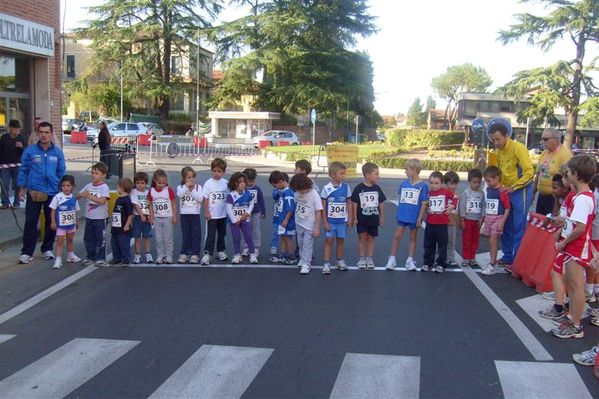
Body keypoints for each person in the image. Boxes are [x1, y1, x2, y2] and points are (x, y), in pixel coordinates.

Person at [551, 155, 596, 339]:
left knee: (576, 286)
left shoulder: (582, 199)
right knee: (572, 283)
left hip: (577, 248)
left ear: (576, 174)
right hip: (574, 247)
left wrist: (564, 241)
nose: (566, 176)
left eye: (568, 172)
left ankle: (576, 324)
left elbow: (580, 228)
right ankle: (571, 318)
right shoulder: (581, 197)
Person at [17, 121, 66, 264]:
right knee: (31, 222)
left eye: (47, 132)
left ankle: (47, 249)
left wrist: (63, 189)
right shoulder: (30, 151)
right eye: (41, 132)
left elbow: (61, 171)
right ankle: (26, 252)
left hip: (52, 192)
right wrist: (22, 188)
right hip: (34, 192)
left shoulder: (57, 153)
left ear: (51, 134)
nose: (44, 135)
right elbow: (24, 170)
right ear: (38, 134)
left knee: (51, 222)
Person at [488, 118, 534, 267]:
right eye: (494, 140)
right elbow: (500, 171)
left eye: (498, 139)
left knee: (518, 224)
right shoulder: (498, 151)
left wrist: (514, 187)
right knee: (506, 223)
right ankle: (508, 255)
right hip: (506, 190)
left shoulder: (518, 148)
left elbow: (529, 173)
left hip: (521, 190)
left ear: (506, 135)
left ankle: (518, 259)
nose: (496, 142)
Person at [386, 158, 428, 271]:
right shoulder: (404, 184)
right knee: (397, 236)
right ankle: (392, 259)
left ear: (414, 170)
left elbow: (424, 204)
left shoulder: (423, 186)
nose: (405, 171)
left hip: (414, 216)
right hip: (403, 215)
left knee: (413, 237)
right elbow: (401, 198)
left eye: (407, 169)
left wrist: (420, 218)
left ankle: (410, 260)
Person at [351, 162, 386, 270]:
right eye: (376, 174)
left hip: (373, 218)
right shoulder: (358, 188)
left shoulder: (377, 188)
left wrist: (382, 216)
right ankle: (362, 258)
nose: (378, 176)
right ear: (367, 175)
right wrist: (354, 217)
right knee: (362, 238)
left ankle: (369, 258)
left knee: (371, 239)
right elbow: (354, 203)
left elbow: (381, 203)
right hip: (362, 219)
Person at [321, 161, 352, 274]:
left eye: (344, 173)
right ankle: (326, 263)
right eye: (341, 173)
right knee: (329, 240)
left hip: (341, 222)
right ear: (333, 175)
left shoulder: (346, 187)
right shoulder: (326, 189)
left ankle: (339, 261)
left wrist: (350, 218)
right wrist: (324, 222)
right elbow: (323, 207)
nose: (344, 176)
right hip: (330, 222)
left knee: (340, 241)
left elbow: (349, 203)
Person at [480, 166, 511, 275]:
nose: (487, 183)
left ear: (497, 178)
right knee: (490, 240)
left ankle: (492, 264)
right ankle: (492, 261)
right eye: (486, 181)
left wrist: (502, 222)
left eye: (488, 180)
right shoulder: (488, 189)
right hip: (489, 217)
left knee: (493, 240)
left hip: (498, 218)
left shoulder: (502, 192)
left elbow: (507, 207)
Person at [78, 162, 110, 267]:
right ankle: (90, 256)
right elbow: (78, 195)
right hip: (89, 216)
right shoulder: (88, 186)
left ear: (103, 175)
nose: (93, 175)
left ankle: (101, 257)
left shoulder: (104, 187)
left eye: (96, 173)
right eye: (92, 173)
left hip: (100, 217)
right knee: (88, 238)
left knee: (100, 238)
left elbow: (102, 201)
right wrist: (81, 194)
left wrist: (89, 196)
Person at [421, 171, 454, 273]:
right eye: (431, 183)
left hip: (442, 224)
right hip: (430, 223)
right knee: (429, 244)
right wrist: (425, 209)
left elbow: (455, 198)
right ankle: (427, 263)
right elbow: (424, 205)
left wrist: (452, 206)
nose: (433, 185)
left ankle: (441, 264)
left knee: (442, 245)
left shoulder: (445, 192)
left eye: (436, 183)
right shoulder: (428, 194)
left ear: (442, 183)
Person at [534, 128, 572, 215]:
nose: (542, 142)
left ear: (556, 139)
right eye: (542, 139)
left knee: (551, 225)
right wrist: (533, 192)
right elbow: (538, 173)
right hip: (541, 195)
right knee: (540, 223)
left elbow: (567, 179)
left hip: (554, 198)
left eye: (545, 139)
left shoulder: (565, 155)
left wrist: (558, 199)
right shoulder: (544, 153)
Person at [291, 174, 323, 275]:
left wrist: (317, 227)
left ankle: (306, 263)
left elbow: (318, 210)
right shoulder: (296, 193)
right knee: (300, 243)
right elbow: (296, 204)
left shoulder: (314, 194)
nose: (301, 192)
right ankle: (302, 258)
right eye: (299, 190)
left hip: (310, 224)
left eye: (303, 189)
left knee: (307, 244)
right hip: (299, 222)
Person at [49, 175, 82, 269]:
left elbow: (76, 210)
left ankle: (70, 255)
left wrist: (77, 221)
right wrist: (53, 222)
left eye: (68, 186)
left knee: (70, 240)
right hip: (61, 225)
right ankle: (58, 259)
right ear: (61, 186)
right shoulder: (57, 197)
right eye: (63, 186)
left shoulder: (73, 198)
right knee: (60, 241)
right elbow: (53, 210)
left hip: (71, 225)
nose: (66, 188)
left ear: (72, 186)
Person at [201, 158, 229, 265]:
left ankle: (221, 251)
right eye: (214, 171)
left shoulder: (225, 183)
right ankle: (207, 254)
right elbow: (206, 199)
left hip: (223, 214)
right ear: (211, 170)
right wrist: (207, 212)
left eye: (219, 171)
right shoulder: (208, 183)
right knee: (210, 235)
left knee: (222, 234)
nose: (216, 173)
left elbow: (229, 197)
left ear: (223, 172)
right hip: (212, 215)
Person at [226, 172, 258, 265]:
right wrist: (235, 220)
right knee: (236, 237)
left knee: (248, 236)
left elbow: (251, 203)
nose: (243, 184)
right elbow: (228, 209)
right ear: (235, 183)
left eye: (244, 182)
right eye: (240, 182)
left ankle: (252, 254)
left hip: (244, 219)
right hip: (234, 221)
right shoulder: (231, 195)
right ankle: (237, 255)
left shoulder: (248, 194)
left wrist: (247, 213)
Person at [148, 169, 177, 264]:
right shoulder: (151, 191)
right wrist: (151, 217)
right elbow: (150, 205)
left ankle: (169, 255)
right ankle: (160, 255)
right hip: (157, 218)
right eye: (159, 183)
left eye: (164, 183)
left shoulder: (168, 190)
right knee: (159, 238)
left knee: (168, 238)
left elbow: (173, 204)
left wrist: (174, 216)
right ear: (154, 181)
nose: (161, 185)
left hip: (168, 217)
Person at [177, 166, 204, 264]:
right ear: (184, 178)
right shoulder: (181, 187)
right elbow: (180, 195)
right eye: (188, 177)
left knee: (195, 235)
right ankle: (185, 253)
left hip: (194, 214)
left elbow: (200, 199)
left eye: (193, 177)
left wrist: (192, 190)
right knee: (186, 235)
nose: (191, 179)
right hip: (184, 215)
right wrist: (186, 186)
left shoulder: (198, 187)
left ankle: (195, 254)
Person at [459, 169, 485, 268]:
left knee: (475, 240)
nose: (477, 184)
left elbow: (483, 205)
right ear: (469, 182)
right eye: (474, 182)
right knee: (467, 239)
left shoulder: (481, 193)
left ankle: (472, 257)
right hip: (468, 220)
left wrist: (482, 217)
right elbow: (462, 205)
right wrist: (462, 219)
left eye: (479, 182)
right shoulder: (466, 193)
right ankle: (466, 257)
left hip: (477, 220)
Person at [269, 170, 296, 264]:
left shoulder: (288, 193)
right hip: (281, 219)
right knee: (283, 237)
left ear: (281, 182)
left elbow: (290, 208)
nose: (275, 188)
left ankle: (291, 256)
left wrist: (286, 219)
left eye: (275, 185)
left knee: (287, 238)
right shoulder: (282, 191)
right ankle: (283, 254)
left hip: (286, 220)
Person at [0, 119, 27, 209]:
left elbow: (26, 152)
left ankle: (16, 202)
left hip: (17, 165)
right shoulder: (4, 138)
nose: (17, 131)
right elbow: (1, 151)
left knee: (17, 184)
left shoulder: (21, 138)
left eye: (18, 129)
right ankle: (5, 203)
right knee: (5, 183)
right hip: (5, 165)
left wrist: (21, 147)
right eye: (16, 128)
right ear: (10, 128)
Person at [241, 168, 265, 258]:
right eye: (248, 181)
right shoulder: (242, 189)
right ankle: (246, 247)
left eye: (252, 181)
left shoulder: (257, 188)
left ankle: (255, 247)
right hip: (245, 213)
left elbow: (261, 200)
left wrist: (263, 211)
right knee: (246, 230)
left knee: (255, 230)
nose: (250, 183)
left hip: (256, 212)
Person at [131, 172, 154, 264]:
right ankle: (137, 254)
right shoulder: (134, 192)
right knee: (137, 237)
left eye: (142, 183)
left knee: (147, 236)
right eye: (138, 183)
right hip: (137, 217)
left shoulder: (148, 192)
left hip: (147, 217)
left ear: (146, 183)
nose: (140, 185)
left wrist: (151, 216)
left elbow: (150, 205)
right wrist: (141, 215)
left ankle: (148, 254)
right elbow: (135, 204)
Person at [110, 178, 134, 266]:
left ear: (123, 188)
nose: (117, 188)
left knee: (123, 244)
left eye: (118, 186)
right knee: (114, 243)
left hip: (123, 227)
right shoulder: (118, 199)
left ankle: (125, 259)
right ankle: (116, 259)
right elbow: (115, 212)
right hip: (116, 226)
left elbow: (130, 214)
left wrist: (127, 225)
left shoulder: (127, 200)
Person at [268, 171, 287, 262]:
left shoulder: (288, 191)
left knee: (285, 234)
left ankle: (286, 250)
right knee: (275, 232)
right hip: (277, 215)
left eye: (275, 185)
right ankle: (274, 246)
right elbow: (274, 196)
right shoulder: (276, 190)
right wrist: (278, 192)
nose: (274, 187)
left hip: (284, 216)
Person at [443, 171, 460, 267]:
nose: (453, 186)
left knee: (451, 241)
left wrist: (459, 221)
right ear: (445, 184)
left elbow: (458, 211)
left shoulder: (457, 197)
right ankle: (441, 256)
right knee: (442, 241)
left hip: (452, 223)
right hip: (443, 222)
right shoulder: (443, 195)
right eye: (451, 184)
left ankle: (451, 258)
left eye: (455, 184)